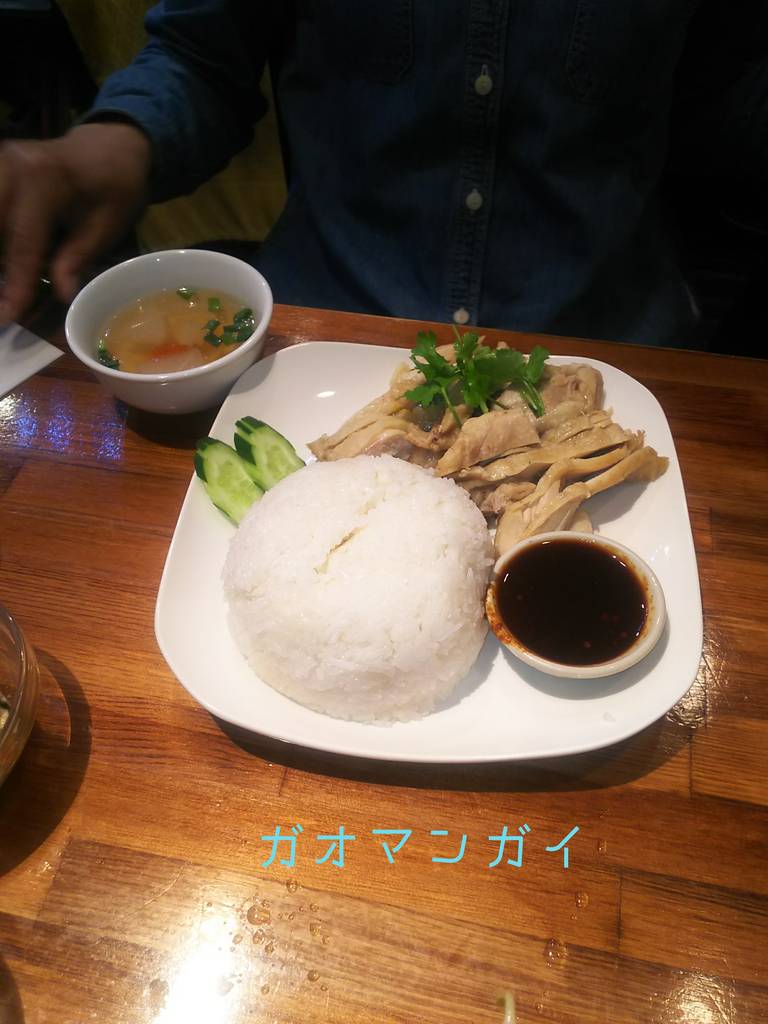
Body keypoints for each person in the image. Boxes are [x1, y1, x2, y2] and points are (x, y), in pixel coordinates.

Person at [0, 1, 764, 344]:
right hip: (321, 331)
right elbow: (201, 55)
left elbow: (727, 102)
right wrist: (113, 141)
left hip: (611, 345)